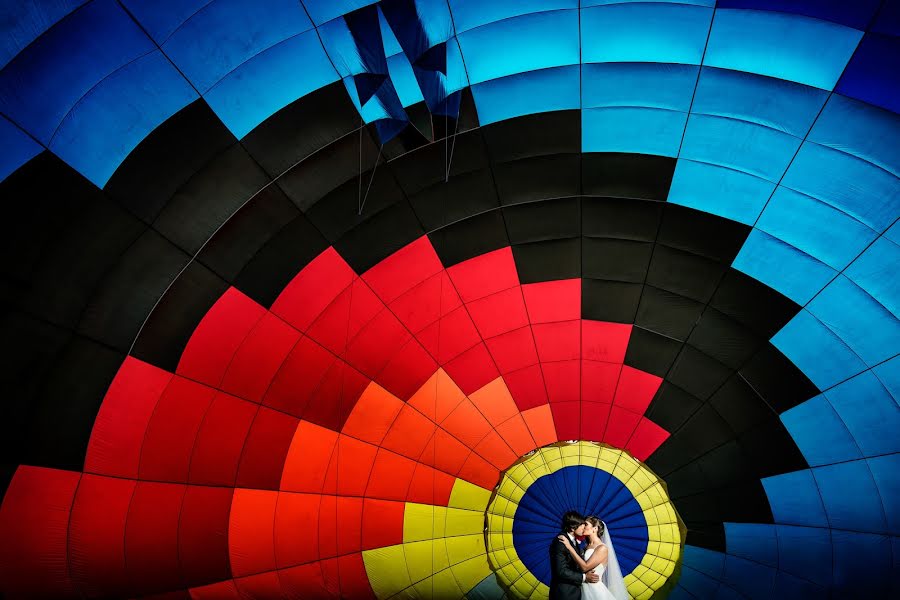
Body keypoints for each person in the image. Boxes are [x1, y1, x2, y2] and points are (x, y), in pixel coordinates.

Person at [556, 517, 630, 600]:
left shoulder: (602, 548)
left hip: (594, 590)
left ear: (595, 528)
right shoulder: (585, 547)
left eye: (586, 524)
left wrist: (569, 547)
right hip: (582, 589)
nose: (583, 526)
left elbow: (585, 567)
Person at [550, 511, 601, 599]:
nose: (584, 527)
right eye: (581, 525)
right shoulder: (560, 542)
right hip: (565, 594)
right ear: (573, 528)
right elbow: (561, 571)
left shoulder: (574, 542)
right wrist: (584, 577)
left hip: (576, 591)